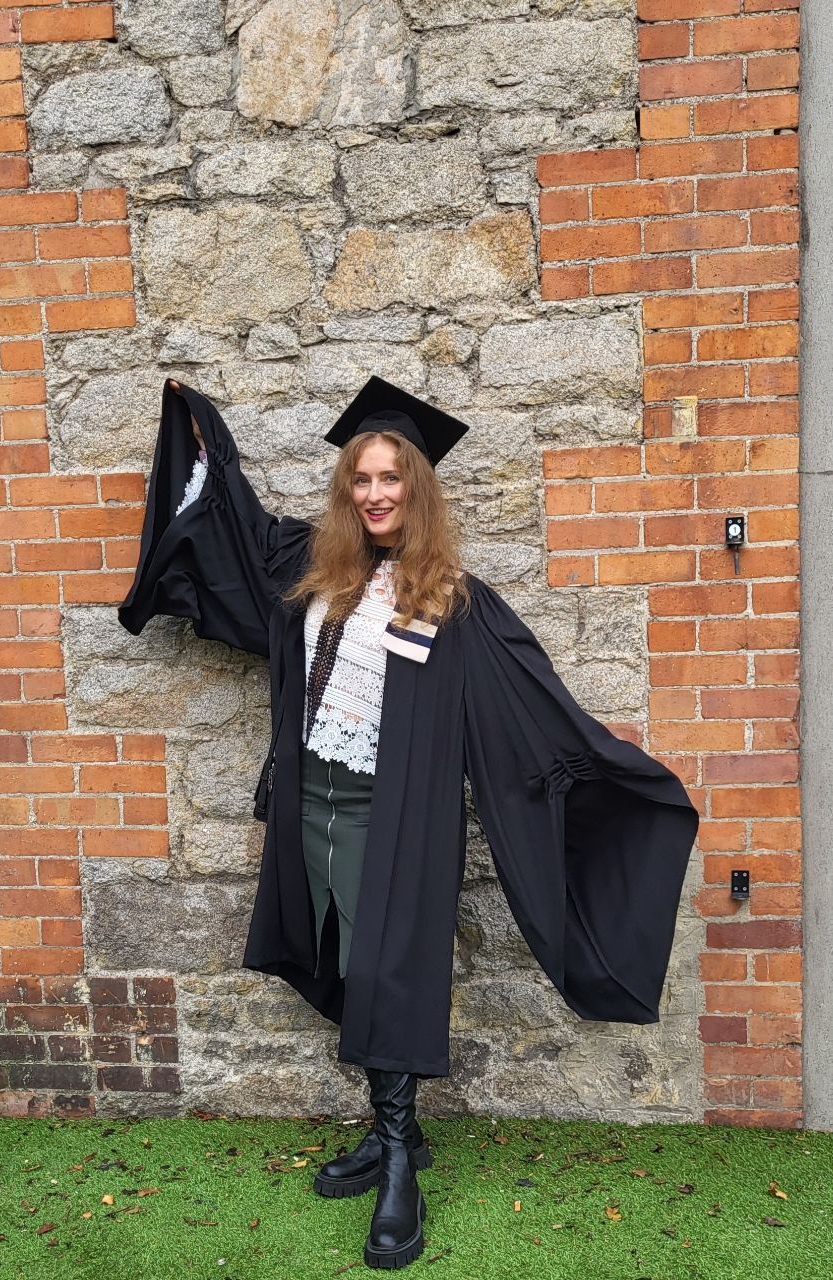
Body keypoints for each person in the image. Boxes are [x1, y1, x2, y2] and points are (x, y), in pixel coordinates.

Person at [119, 376, 700, 1270]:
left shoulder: (454, 601)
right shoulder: (315, 567)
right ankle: (399, 1132)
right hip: (310, 803)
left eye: (390, 478)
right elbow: (232, 535)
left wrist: (614, 772)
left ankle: (397, 1164)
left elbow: (531, 709)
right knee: (342, 959)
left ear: (417, 489)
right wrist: (205, 443)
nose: (375, 493)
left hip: (389, 817)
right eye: (361, 479)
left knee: (386, 970)